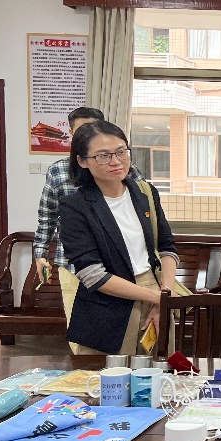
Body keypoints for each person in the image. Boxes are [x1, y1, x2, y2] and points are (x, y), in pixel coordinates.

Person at [58, 121, 177, 355]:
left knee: (157, 372)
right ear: (82, 161)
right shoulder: (74, 207)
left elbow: (167, 248)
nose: (116, 161)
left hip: (156, 295)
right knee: (106, 375)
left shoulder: (145, 193)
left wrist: (164, 295)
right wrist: (159, 298)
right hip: (107, 306)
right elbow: (93, 274)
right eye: (103, 156)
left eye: (121, 151)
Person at [33, 107, 145, 350]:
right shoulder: (58, 171)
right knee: (86, 334)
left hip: (119, 265)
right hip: (74, 265)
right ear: (72, 135)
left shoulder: (127, 171)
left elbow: (144, 217)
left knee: (128, 330)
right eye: (81, 131)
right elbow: (47, 215)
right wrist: (40, 253)